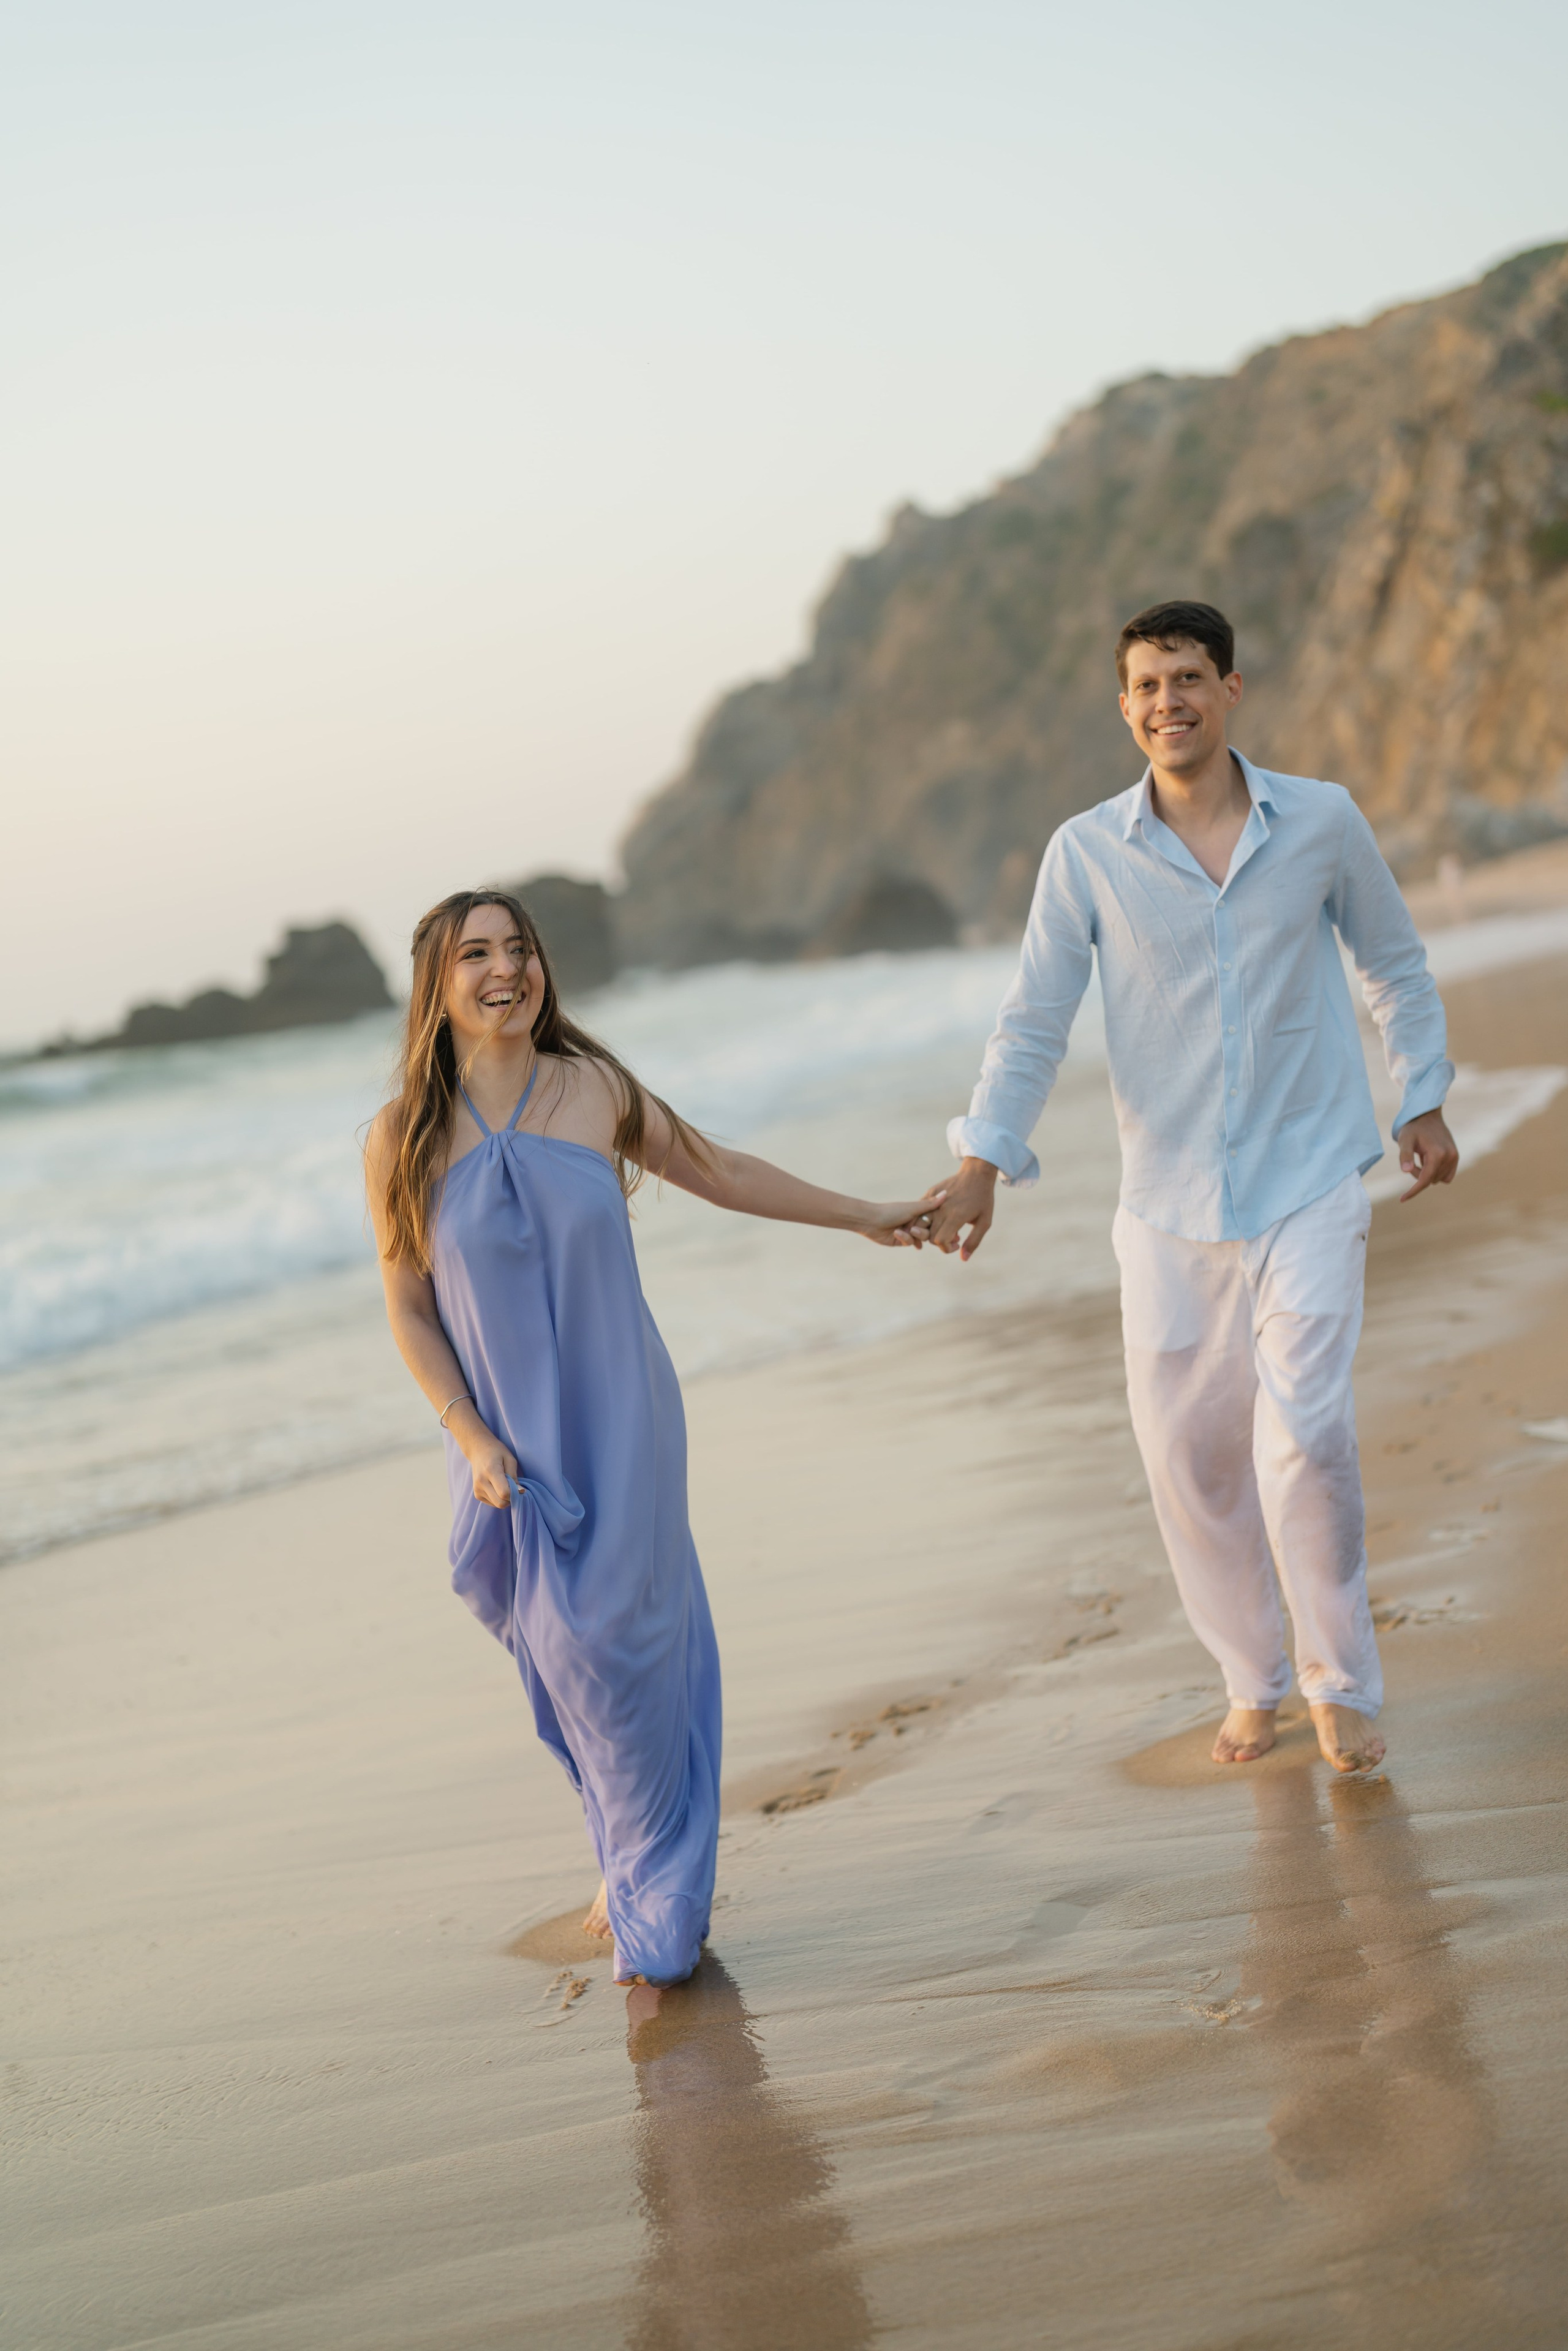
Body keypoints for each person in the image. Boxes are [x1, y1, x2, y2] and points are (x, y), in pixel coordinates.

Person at [915, 602, 1458, 1775]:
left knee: (1303, 1439)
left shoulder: (1320, 821)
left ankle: (1338, 1680)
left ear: (1232, 689)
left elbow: (1396, 967)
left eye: (1191, 678)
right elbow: (1034, 1021)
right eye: (1149, 684)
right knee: (1190, 1458)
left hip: (1311, 1176)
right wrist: (982, 1161)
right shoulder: (1086, 854)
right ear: (1126, 707)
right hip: (1165, 1209)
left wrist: (1421, 1096)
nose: (1171, 701)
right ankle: (1250, 1673)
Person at [364, 889, 935, 1987]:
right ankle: (621, 1834)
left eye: (520, 949)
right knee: (557, 1637)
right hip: (500, 1440)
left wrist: (866, 1212)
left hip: (622, 1411)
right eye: (476, 954)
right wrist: (471, 1435)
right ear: (437, 986)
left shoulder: (594, 1088)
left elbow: (721, 1172)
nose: (506, 970)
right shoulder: (404, 1137)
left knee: (621, 1635)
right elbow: (407, 1305)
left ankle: (658, 1884)